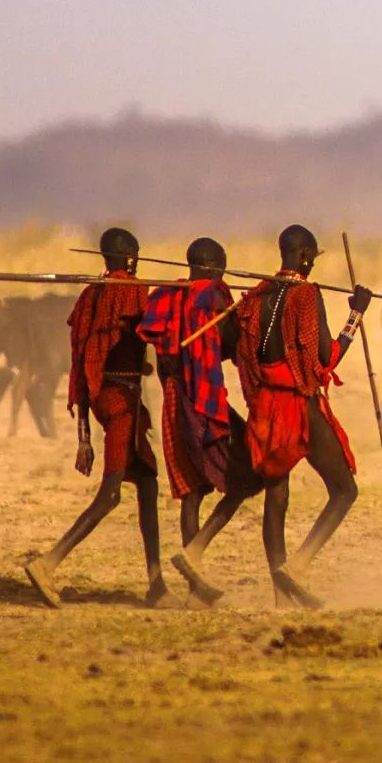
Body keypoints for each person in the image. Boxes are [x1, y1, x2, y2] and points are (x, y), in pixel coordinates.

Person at [22, 227, 172, 609]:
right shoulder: (135, 291)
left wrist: (85, 427)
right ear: (133, 259)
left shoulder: (91, 295)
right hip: (122, 400)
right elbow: (149, 332)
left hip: (106, 397)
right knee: (110, 494)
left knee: (149, 483)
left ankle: (156, 584)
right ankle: (47, 563)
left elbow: (85, 359)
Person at [235, 224, 372, 607]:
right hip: (298, 404)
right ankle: (296, 568)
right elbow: (325, 359)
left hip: (264, 405)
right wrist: (356, 316)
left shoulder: (256, 296)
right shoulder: (306, 297)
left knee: (276, 498)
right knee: (345, 490)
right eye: (313, 256)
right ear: (307, 256)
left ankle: (282, 600)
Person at [137, 236, 264, 604]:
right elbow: (225, 349)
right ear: (214, 267)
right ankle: (194, 555)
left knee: (192, 491)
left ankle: (195, 592)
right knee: (250, 475)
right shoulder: (213, 297)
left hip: (172, 400)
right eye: (221, 266)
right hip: (202, 402)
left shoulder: (165, 298)